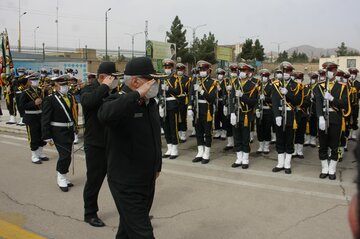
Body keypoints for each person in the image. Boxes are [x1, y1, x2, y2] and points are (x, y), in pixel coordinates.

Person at [97, 57, 162, 239]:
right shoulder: (117, 101)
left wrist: (157, 166)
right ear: (135, 81)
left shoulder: (151, 104)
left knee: (127, 229)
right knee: (143, 233)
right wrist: (136, 95)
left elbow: (154, 139)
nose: (156, 84)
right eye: (151, 80)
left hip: (147, 178)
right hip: (126, 181)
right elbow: (105, 115)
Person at [81, 62, 120, 227]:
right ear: (104, 77)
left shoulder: (113, 91)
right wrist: (104, 86)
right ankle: (90, 213)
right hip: (96, 144)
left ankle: (131, 212)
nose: (117, 80)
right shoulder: (88, 90)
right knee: (94, 180)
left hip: (113, 143)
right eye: (114, 77)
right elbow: (89, 102)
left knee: (120, 180)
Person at [314, 62, 349, 180]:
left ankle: (332, 169)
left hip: (335, 117)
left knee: (335, 144)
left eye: (331, 69)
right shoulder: (319, 85)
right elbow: (318, 103)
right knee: (322, 144)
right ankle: (324, 168)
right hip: (323, 117)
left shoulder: (342, 86)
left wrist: (332, 99)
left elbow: (344, 104)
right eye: (327, 69)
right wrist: (319, 117)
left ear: (335, 71)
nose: (329, 72)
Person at [42, 74, 76, 192]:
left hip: (69, 130)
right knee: (64, 155)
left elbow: (72, 115)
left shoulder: (70, 96)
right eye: (61, 85)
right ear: (55, 86)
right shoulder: (50, 99)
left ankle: (64, 175)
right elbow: (45, 118)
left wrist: (74, 128)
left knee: (68, 154)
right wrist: (46, 135)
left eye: (66, 84)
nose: (65, 86)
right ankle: (61, 176)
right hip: (58, 131)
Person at [271, 62, 303, 174]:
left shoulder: (296, 85)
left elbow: (298, 101)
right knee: (280, 139)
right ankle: (280, 163)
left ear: (291, 72)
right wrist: (276, 116)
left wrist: (288, 93)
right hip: (279, 114)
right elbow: (274, 102)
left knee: (289, 140)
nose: (285, 73)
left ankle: (287, 164)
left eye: (288, 71)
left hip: (290, 115)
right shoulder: (275, 84)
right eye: (283, 71)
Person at [188, 60, 217, 164]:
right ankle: (200, 152)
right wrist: (190, 107)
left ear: (208, 70)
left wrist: (201, 91)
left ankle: (207, 153)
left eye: (204, 69)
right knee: (199, 131)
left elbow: (212, 98)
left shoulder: (213, 82)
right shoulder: (195, 81)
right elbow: (190, 94)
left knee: (207, 132)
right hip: (197, 109)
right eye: (200, 69)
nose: (202, 71)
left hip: (207, 109)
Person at [230, 63, 259, 169]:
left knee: (245, 137)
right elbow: (231, 99)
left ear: (248, 72)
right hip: (236, 114)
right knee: (237, 136)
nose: (242, 72)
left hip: (246, 115)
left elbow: (253, 102)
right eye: (240, 70)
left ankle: (245, 159)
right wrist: (232, 112)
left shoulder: (253, 86)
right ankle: (238, 158)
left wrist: (242, 96)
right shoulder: (235, 83)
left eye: (244, 70)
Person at [19, 73, 48, 164]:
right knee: (33, 136)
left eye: (36, 80)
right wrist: (33, 104)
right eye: (33, 80)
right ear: (29, 82)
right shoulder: (25, 92)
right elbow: (21, 106)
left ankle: (40, 153)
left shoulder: (40, 91)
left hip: (40, 116)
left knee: (42, 136)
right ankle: (34, 155)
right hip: (31, 117)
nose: (35, 82)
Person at [159, 59, 181, 159]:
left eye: (169, 67)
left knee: (173, 126)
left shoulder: (175, 78)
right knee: (165, 126)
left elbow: (178, 91)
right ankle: (169, 147)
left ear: (172, 68)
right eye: (166, 67)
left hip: (172, 104)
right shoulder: (161, 78)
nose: (167, 69)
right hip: (164, 104)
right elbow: (158, 92)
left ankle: (175, 149)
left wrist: (168, 88)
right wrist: (159, 104)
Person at [255, 69, 273, 154]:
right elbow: (254, 98)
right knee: (259, 128)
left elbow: (274, 99)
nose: (264, 78)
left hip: (268, 110)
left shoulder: (271, 86)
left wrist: (265, 98)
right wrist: (257, 109)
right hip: (260, 109)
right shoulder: (258, 85)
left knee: (267, 128)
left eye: (266, 76)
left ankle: (266, 146)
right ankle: (260, 145)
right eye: (263, 76)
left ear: (268, 77)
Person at [175, 63, 191, 143]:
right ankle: (178, 132)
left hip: (183, 99)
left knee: (183, 116)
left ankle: (184, 133)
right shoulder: (174, 78)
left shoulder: (187, 79)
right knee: (177, 116)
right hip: (175, 99)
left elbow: (189, 91)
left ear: (184, 70)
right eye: (178, 70)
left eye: (181, 70)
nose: (179, 71)